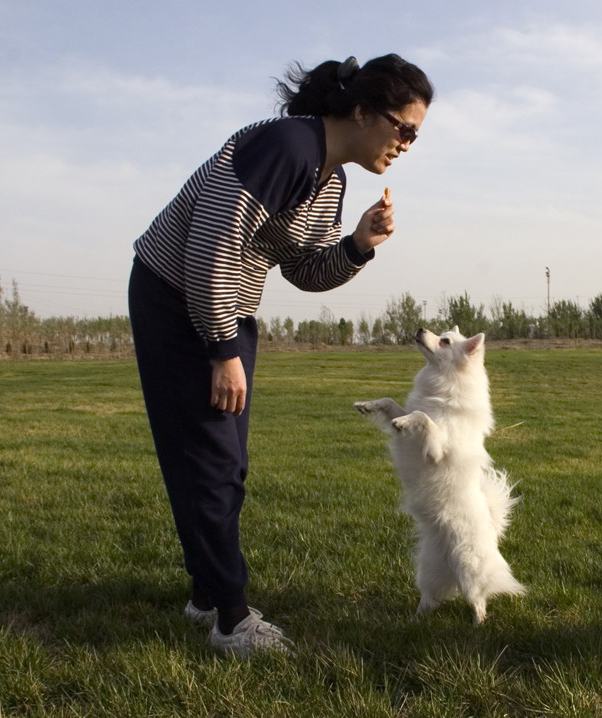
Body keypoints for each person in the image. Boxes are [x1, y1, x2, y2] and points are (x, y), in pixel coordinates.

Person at [128, 54, 433, 657]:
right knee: (211, 461)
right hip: (177, 296)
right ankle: (231, 620)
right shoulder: (287, 146)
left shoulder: (333, 179)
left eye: (416, 136)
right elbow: (211, 239)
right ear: (363, 111)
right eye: (405, 129)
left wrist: (358, 244)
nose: (407, 145)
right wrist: (220, 349)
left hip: (228, 306)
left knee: (227, 463)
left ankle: (206, 596)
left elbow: (304, 272)